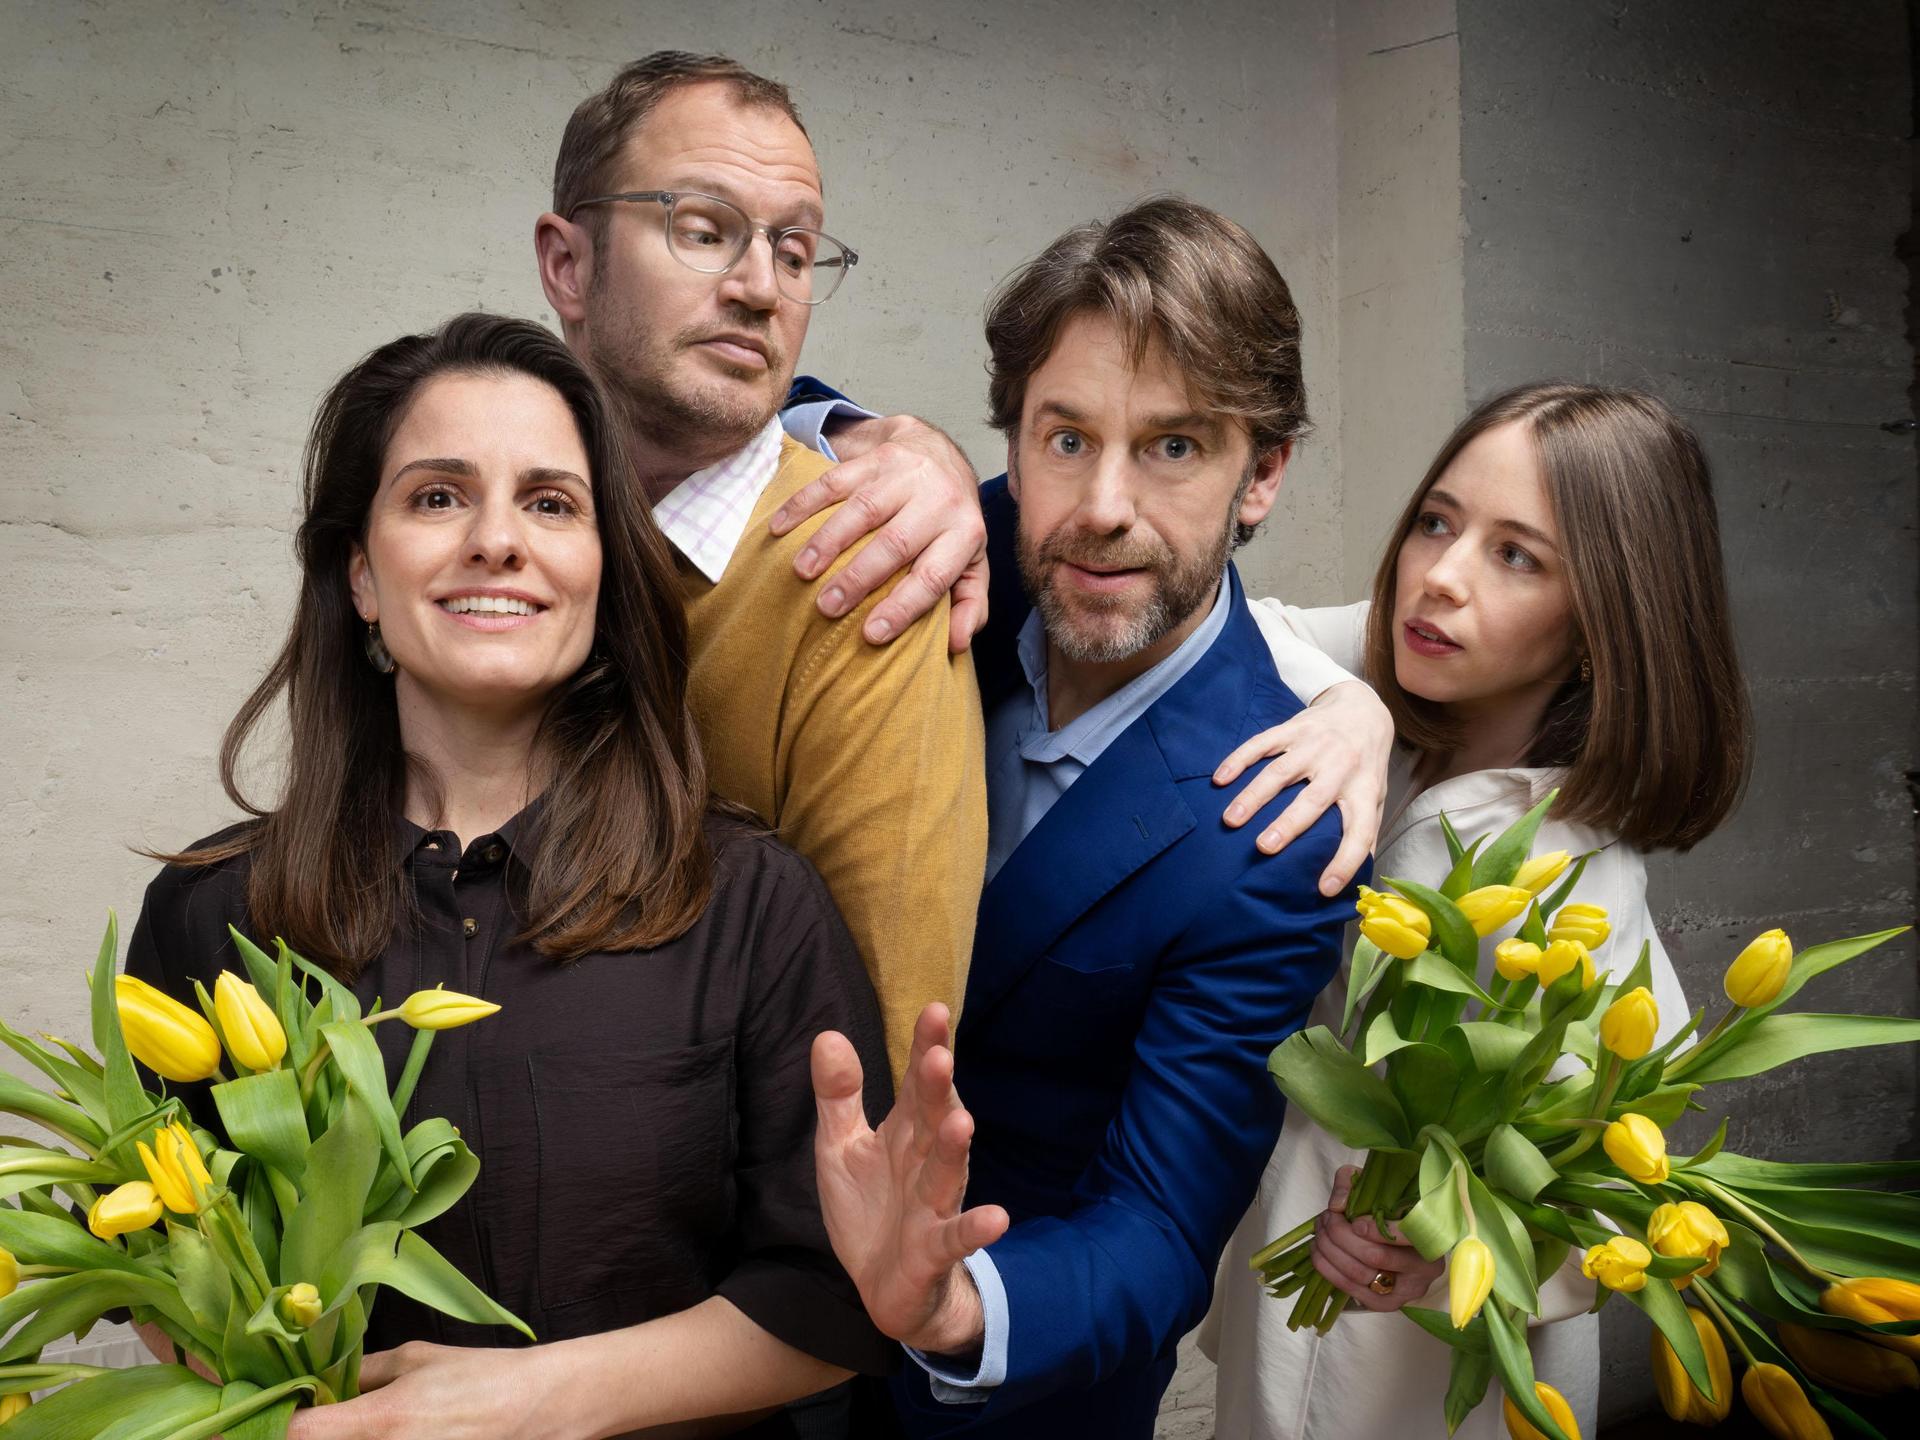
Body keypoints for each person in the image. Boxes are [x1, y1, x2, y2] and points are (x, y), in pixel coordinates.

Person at [125, 313, 895, 1438]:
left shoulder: (752, 905)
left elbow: (835, 1299)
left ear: (602, 571)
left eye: (550, 502)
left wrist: (527, 1401)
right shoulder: (209, 915)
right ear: (361, 575)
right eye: (438, 497)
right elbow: (159, 1261)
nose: (497, 540)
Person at [805, 198, 1363, 1439]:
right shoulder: (962, 549)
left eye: (1174, 448)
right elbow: (743, 402)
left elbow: (1164, 1222)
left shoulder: (1280, 824)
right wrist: (884, 437)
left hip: (1005, 1397)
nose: (1103, 504)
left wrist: (953, 1306)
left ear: (1262, 473)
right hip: (757, 1340)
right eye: (1066, 439)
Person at [1203, 382, 1753, 1440]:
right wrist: (1351, 707)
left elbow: (1633, 1169)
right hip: (1294, 1296)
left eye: (1519, 557)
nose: (1440, 579)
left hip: (1428, 1373)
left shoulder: (1563, 872)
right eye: (1437, 522)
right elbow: (1234, 627)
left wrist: (1472, 1247)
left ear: (1609, 617)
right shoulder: (1407, 681)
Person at [533, 52, 986, 1083]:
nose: (760, 289)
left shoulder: (870, 571)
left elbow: (877, 1073)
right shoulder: (490, 540)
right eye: (703, 230)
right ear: (568, 264)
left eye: (795, 251)